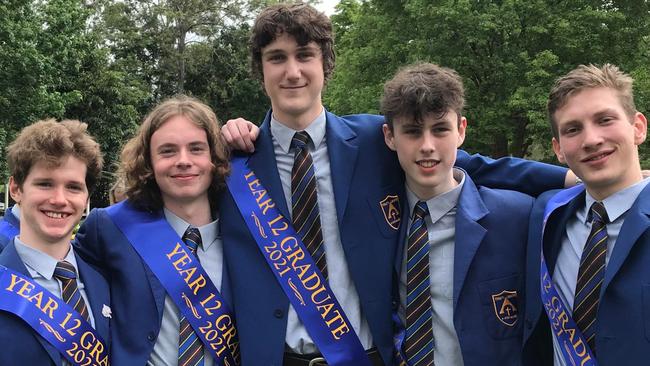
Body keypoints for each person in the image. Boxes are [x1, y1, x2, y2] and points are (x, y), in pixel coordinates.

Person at [219, 3, 571, 365]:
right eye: (277, 58)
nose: (292, 72)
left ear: (325, 63)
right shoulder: (233, 162)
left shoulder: (373, 139)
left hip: (364, 356)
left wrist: (570, 175)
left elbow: (469, 164)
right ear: (259, 70)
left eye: (305, 55)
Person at [382, 63, 532, 365]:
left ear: (461, 130)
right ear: (390, 136)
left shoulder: (518, 216)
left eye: (440, 130)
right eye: (412, 131)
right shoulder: (377, 219)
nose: (427, 146)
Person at [74, 95, 240, 365]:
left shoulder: (248, 235)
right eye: (168, 151)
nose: (183, 160)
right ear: (148, 163)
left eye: (196, 148)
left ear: (215, 158)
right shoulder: (108, 228)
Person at [523, 64, 649, 366]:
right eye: (572, 129)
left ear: (638, 127)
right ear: (558, 149)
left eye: (605, 120)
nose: (591, 140)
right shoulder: (547, 213)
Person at [0, 119, 109, 365]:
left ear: (86, 197)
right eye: (45, 184)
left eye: (73, 187)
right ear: (16, 189)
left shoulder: (105, 282)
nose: (60, 200)